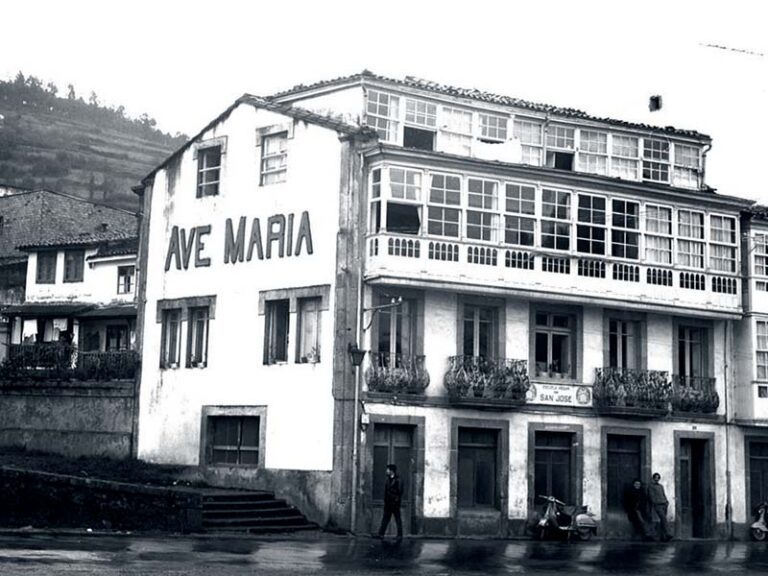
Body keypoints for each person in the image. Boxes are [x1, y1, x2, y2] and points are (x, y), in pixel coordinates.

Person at [377, 463, 403, 542]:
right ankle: (381, 534)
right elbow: (386, 491)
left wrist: (395, 500)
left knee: (398, 519)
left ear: (392, 471)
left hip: (395, 504)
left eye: (388, 470)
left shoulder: (399, 479)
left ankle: (399, 535)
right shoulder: (387, 479)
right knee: (385, 519)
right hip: (388, 503)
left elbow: (400, 491)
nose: (386, 471)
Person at [647, 472, 672, 541]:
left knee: (663, 520)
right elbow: (651, 496)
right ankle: (668, 533)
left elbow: (663, 494)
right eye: (655, 478)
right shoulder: (651, 486)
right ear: (653, 478)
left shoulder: (661, 486)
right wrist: (655, 502)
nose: (656, 479)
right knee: (663, 518)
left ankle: (663, 537)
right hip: (658, 505)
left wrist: (666, 501)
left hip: (664, 504)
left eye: (658, 478)